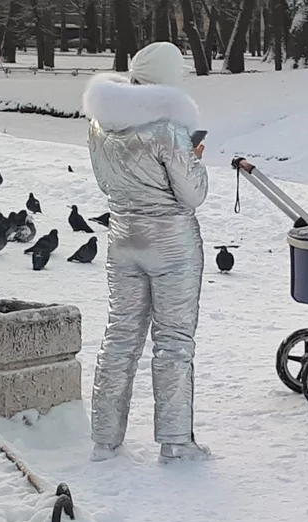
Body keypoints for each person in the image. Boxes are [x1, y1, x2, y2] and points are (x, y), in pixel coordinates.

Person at [82, 41, 210, 463]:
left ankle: (105, 439)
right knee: (173, 342)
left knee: (119, 337)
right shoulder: (168, 129)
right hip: (171, 242)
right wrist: (195, 159)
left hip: (122, 237)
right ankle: (175, 441)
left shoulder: (99, 123)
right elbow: (192, 195)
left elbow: (105, 184)